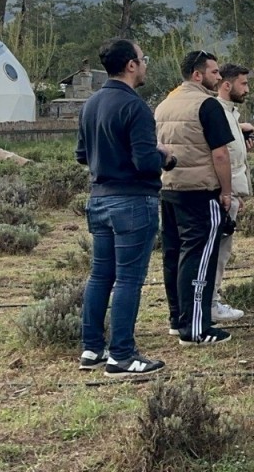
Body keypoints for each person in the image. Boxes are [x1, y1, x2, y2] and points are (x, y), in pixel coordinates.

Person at [75, 38, 171, 377]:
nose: (146, 65)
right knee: (129, 279)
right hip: (132, 201)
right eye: (143, 59)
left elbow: (82, 155)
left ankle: (92, 348)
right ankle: (122, 355)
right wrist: (164, 155)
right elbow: (146, 163)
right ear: (131, 65)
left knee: (100, 275)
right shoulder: (135, 107)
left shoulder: (90, 105)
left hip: (99, 199)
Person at [155, 50, 235, 346]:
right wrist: (226, 192)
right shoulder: (208, 104)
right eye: (215, 72)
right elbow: (220, 153)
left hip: (170, 188)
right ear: (198, 74)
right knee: (200, 257)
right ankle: (197, 327)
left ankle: (178, 319)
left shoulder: (164, 104)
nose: (219, 77)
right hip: (201, 191)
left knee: (173, 254)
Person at [209, 63, 253, 324]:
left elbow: (236, 157)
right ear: (227, 85)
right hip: (222, 194)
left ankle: (210, 300)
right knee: (218, 251)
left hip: (232, 192)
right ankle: (211, 303)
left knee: (222, 251)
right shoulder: (219, 113)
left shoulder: (233, 115)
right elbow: (221, 156)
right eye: (243, 84)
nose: (246, 89)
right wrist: (227, 192)